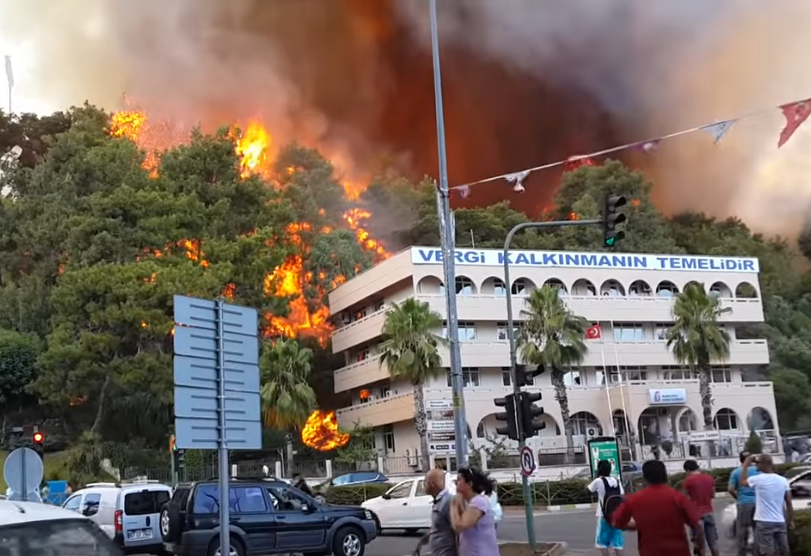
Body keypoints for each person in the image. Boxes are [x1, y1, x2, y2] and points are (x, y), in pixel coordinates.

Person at [612, 460, 705, 556]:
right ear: (665, 475)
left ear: (645, 477)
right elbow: (697, 524)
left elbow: (617, 522)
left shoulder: (634, 499)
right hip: (679, 551)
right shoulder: (678, 497)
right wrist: (700, 546)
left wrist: (640, 524)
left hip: (650, 551)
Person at [740, 454, 793, 556]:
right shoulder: (783, 480)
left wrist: (746, 464)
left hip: (764, 521)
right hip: (780, 521)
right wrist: (790, 520)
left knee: (767, 551)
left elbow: (742, 482)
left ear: (764, 464)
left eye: (757, 463)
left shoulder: (757, 479)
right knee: (783, 549)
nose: (755, 466)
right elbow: (788, 502)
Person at [451, 467, 500, 556]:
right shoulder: (470, 503)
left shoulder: (479, 502)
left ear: (469, 484)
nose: (455, 483)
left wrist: (454, 505)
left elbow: (460, 526)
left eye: (459, 480)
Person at [586, 459, 625, 556]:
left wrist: (596, 477)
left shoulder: (598, 481)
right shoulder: (616, 480)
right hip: (617, 515)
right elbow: (622, 494)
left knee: (602, 544)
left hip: (604, 515)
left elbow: (587, 490)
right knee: (618, 544)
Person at [415, 469, 456, 556]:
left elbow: (457, 531)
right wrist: (423, 541)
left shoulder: (447, 501)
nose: (424, 485)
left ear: (431, 483)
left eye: (425, 482)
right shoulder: (439, 501)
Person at [682, 460, 720, 556]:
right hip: (709, 512)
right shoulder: (709, 478)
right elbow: (713, 495)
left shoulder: (688, 481)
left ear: (687, 470)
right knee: (713, 542)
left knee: (700, 544)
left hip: (695, 514)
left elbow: (685, 498)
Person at [729, 450, 759, 556]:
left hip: (743, 503)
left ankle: (742, 552)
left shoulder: (736, 472)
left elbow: (731, 489)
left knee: (742, 529)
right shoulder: (758, 470)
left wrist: (738, 498)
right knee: (757, 529)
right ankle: (757, 552)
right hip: (758, 504)